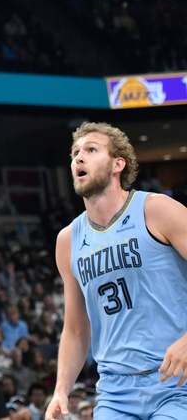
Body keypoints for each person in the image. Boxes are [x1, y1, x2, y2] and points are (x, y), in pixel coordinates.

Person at [46, 122, 187, 420]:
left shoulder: (156, 210)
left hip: (178, 382)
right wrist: (61, 390)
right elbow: (75, 328)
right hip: (115, 392)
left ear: (117, 164)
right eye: (75, 153)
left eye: (91, 150)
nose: (79, 158)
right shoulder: (68, 240)